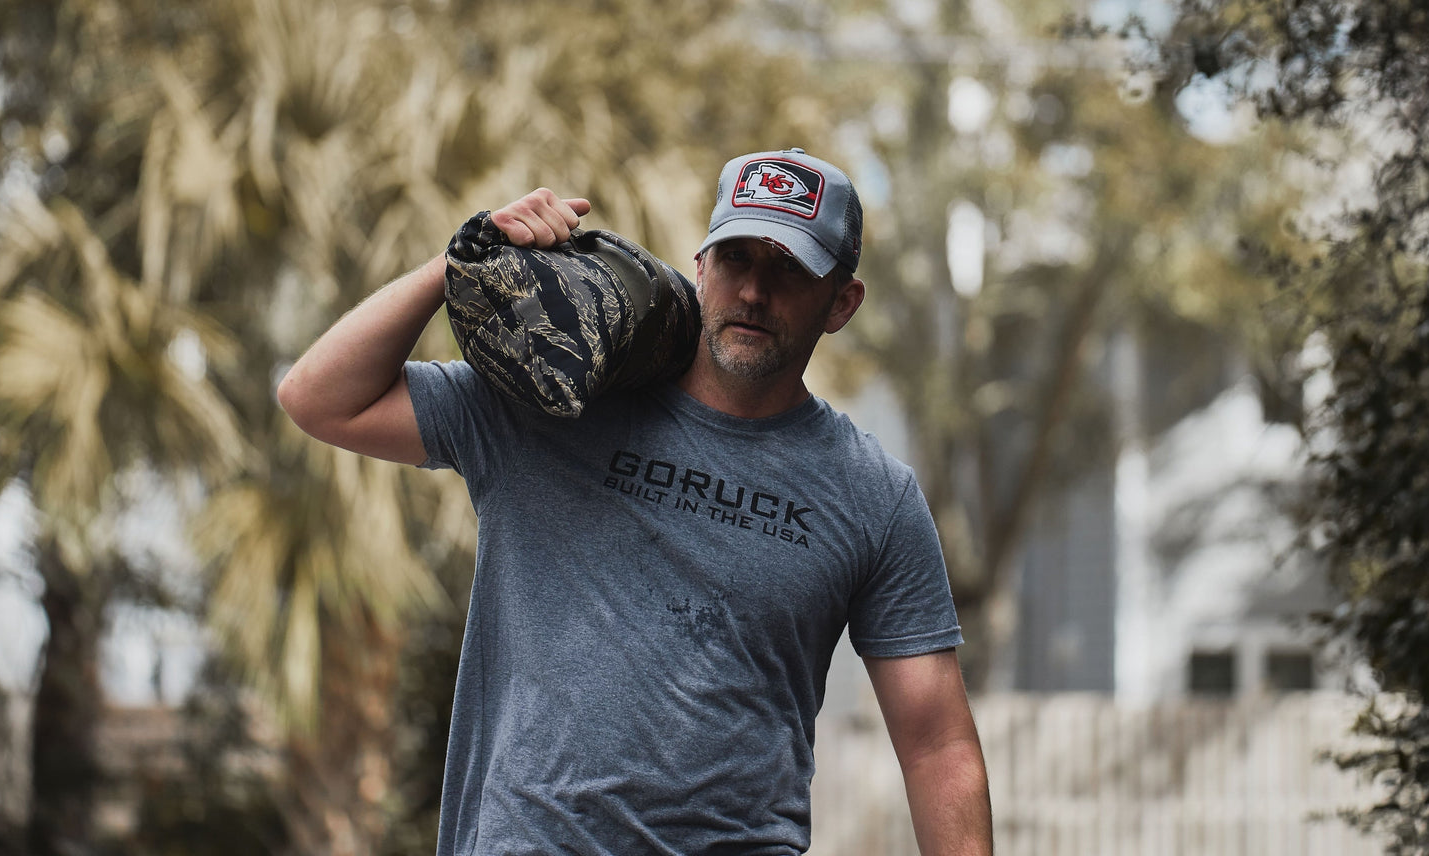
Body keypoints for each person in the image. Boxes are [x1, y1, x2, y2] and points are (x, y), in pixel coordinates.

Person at [278, 148, 993, 855]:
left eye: (788, 269)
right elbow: (318, 399)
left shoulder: (873, 495)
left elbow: (937, 747)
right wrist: (457, 261)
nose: (753, 292)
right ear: (701, 266)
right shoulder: (555, 400)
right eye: (738, 258)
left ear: (842, 302)